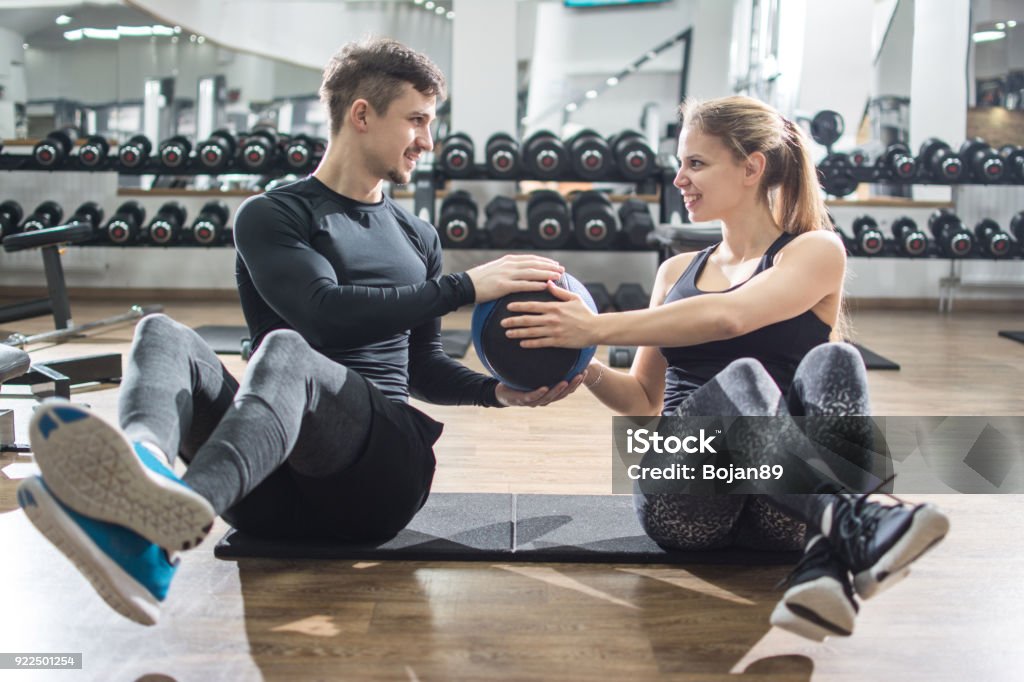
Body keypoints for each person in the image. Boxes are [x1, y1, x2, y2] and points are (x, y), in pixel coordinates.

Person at [16, 38, 583, 627]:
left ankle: (155, 531)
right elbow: (322, 312)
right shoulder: (274, 215)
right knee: (161, 333)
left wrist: (496, 392)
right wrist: (466, 287)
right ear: (362, 115)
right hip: (267, 488)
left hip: (378, 479)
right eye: (416, 120)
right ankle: (146, 473)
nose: (428, 141)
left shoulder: (417, 236)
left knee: (284, 351)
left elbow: (420, 366)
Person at [501, 95, 949, 641]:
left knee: (838, 359)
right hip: (685, 499)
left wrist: (593, 325)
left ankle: (824, 567)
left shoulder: (815, 250)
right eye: (679, 163)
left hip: (779, 507)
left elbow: (731, 317)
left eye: (695, 163)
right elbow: (644, 399)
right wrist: (586, 364)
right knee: (742, 383)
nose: (678, 179)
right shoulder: (675, 271)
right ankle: (847, 529)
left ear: (751, 167)